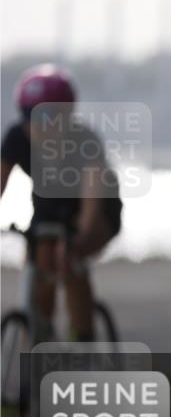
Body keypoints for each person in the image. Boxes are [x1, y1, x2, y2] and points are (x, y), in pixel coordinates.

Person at [0, 63, 122, 343]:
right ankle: (37, 337)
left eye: (48, 116)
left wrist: (81, 234)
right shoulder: (17, 137)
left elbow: (92, 198)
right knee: (39, 265)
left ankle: (83, 338)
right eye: (29, 115)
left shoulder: (85, 140)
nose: (38, 125)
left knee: (69, 258)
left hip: (98, 205)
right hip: (48, 205)